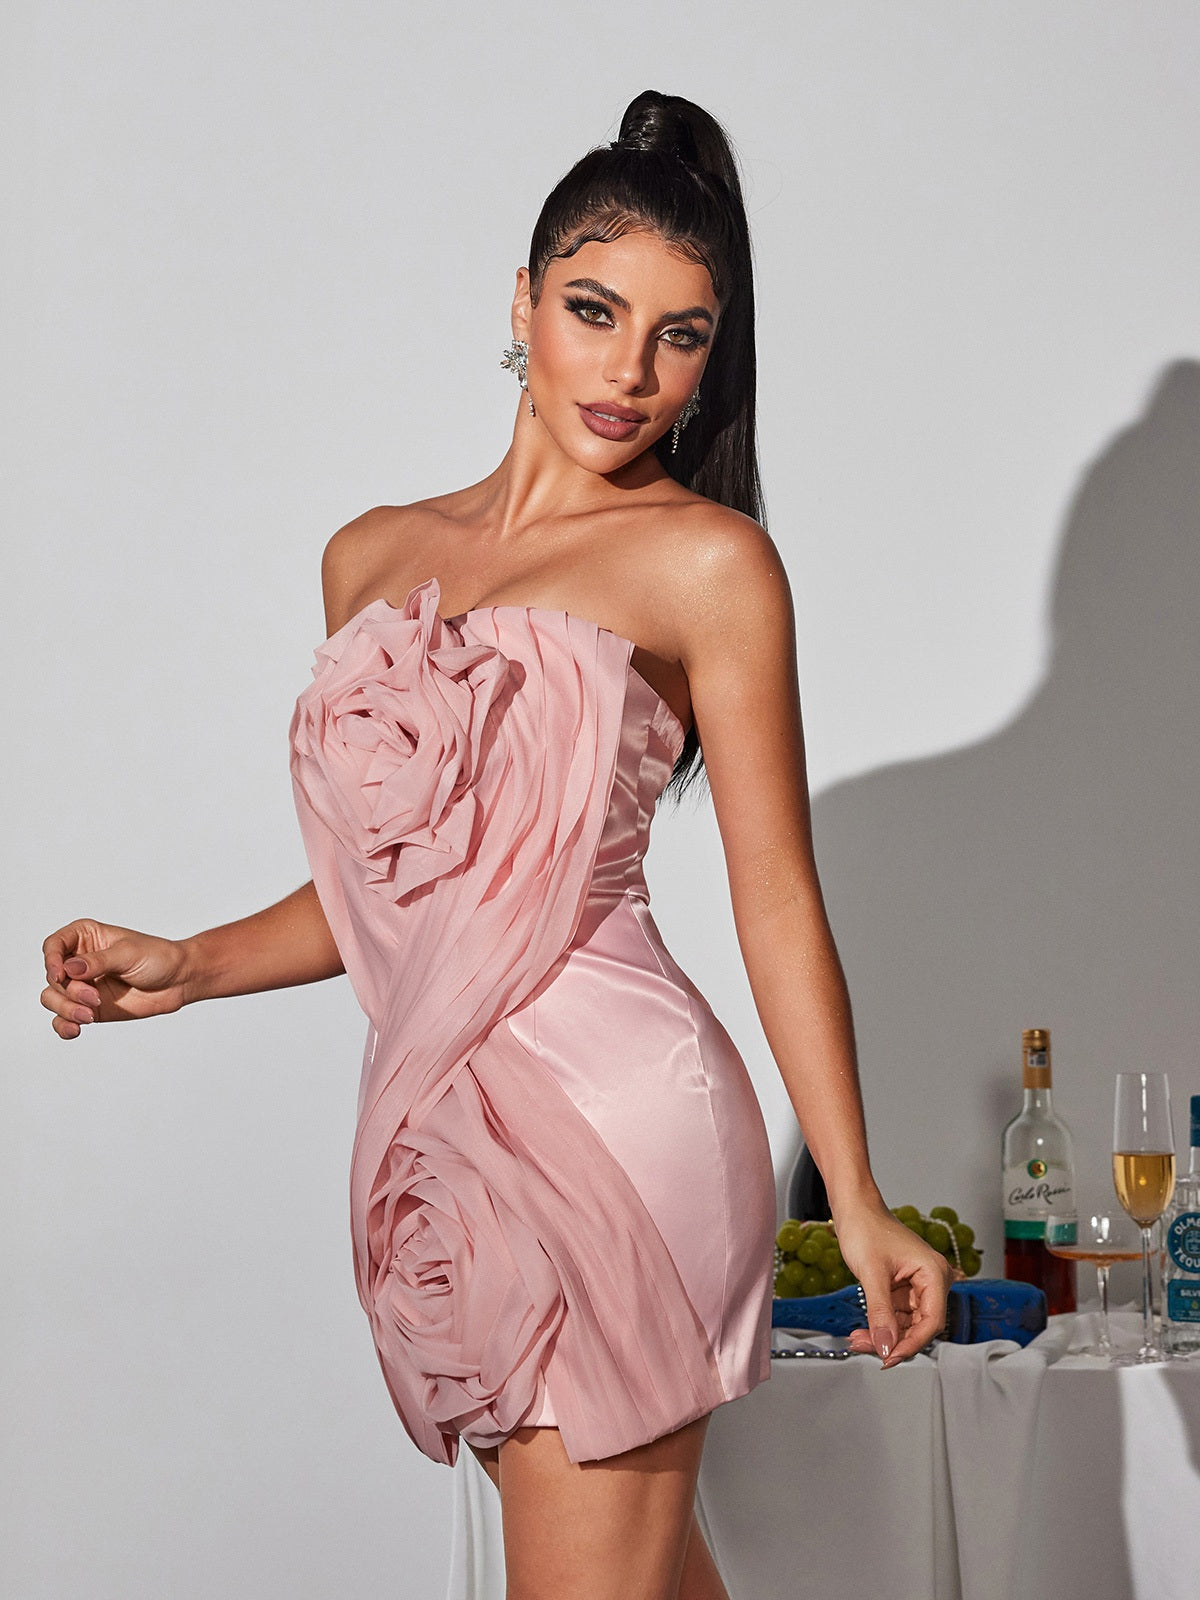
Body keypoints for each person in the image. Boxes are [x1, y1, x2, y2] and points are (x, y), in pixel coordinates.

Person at [41, 90, 951, 1600]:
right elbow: (413, 892)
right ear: (520, 302)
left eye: (680, 335)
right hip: (443, 1135)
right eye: (595, 311)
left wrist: (851, 1195)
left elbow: (776, 895)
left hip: (624, 1130)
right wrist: (190, 963)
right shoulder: (369, 557)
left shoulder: (709, 563)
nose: (632, 371)